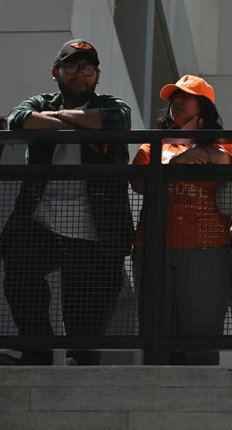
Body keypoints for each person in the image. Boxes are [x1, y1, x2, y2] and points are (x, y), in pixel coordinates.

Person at [0, 39, 134, 365]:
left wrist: (54, 118)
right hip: (40, 220)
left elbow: (116, 121)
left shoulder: (111, 104)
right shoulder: (38, 101)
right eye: (71, 66)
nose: (80, 74)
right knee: (19, 275)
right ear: (56, 71)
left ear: (97, 76)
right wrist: (80, 124)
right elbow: (18, 119)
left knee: (85, 317)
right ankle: (37, 351)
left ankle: (78, 366)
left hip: (97, 230)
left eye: (88, 68)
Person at [131, 75, 232, 365]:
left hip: (206, 250)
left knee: (200, 338)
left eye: (184, 97)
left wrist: (196, 147)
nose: (175, 103)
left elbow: (225, 161)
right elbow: (139, 183)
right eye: (172, 99)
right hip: (152, 248)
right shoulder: (153, 145)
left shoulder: (223, 146)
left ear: (203, 107)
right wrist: (176, 163)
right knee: (156, 336)